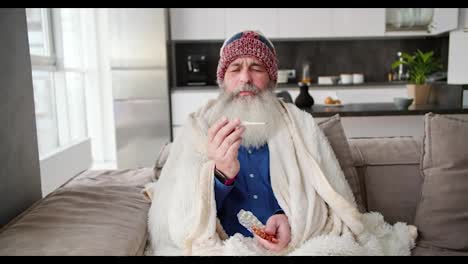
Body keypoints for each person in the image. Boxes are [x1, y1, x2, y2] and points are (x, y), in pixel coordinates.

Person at [145, 30, 417, 256]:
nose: (245, 79)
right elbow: (183, 215)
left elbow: (320, 201)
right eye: (235, 69)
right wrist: (220, 173)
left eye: (256, 68)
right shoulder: (199, 128)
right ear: (223, 80)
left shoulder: (299, 125)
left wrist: (290, 220)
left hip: (294, 244)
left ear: (272, 79)